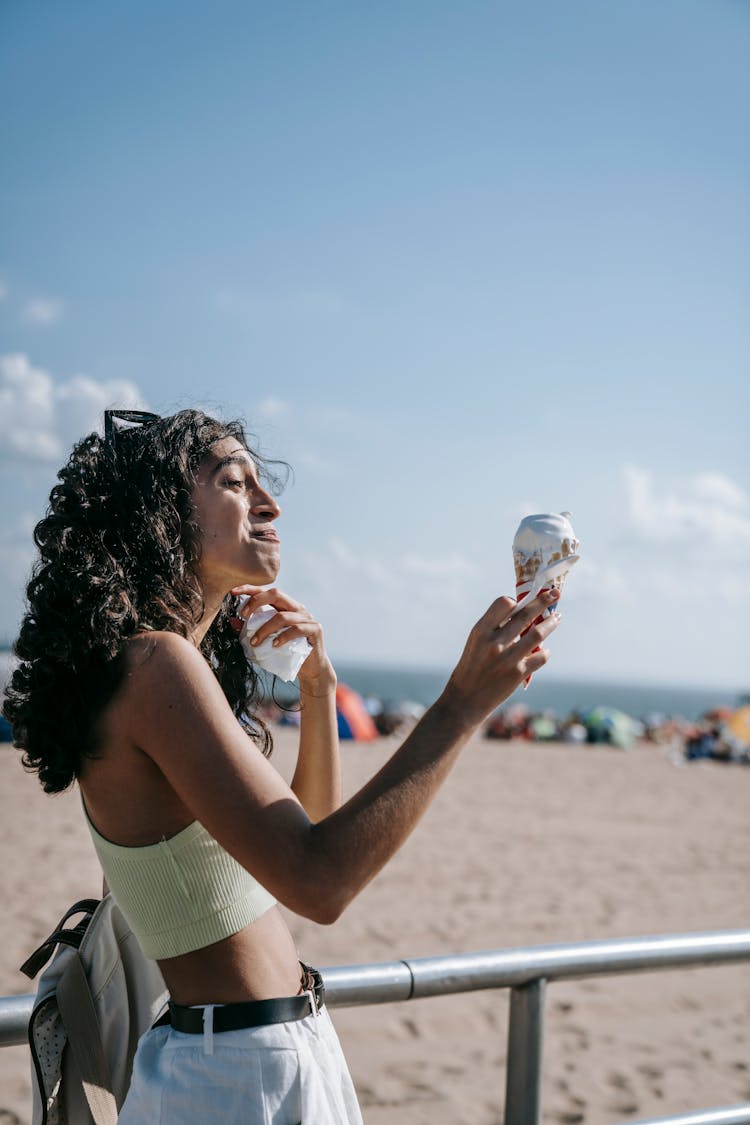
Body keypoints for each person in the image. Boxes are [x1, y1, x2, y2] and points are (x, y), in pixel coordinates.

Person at [4, 409, 561, 1123]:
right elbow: (322, 881)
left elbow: (310, 840)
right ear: (162, 516)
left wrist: (319, 689)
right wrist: (459, 706)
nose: (269, 504)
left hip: (243, 1059)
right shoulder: (156, 666)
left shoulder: (156, 668)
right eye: (235, 483)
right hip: (238, 1071)